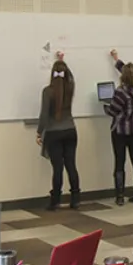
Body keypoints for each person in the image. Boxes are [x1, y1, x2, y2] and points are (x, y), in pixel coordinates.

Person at [37, 55, 80, 211]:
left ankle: (55, 200)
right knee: (71, 165)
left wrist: (39, 132)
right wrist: (62, 61)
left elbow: (44, 114)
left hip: (54, 133)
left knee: (57, 168)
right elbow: (70, 79)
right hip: (70, 131)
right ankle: (75, 199)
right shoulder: (70, 88)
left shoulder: (47, 91)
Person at [106, 50, 133, 206]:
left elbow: (113, 111)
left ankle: (120, 196)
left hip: (120, 131)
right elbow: (129, 72)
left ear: (123, 77)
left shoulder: (120, 92)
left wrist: (105, 107)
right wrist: (117, 60)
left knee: (119, 162)